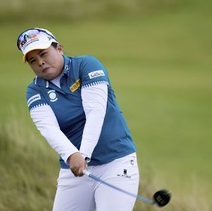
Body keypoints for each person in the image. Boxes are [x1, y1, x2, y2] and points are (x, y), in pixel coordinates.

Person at [16, 28, 139, 211]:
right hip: (73, 171)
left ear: (59, 49)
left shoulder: (87, 65)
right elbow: (49, 129)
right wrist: (71, 155)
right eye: (33, 61)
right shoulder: (34, 91)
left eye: (44, 54)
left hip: (115, 163)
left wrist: (83, 154)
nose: (40, 62)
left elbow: (95, 112)